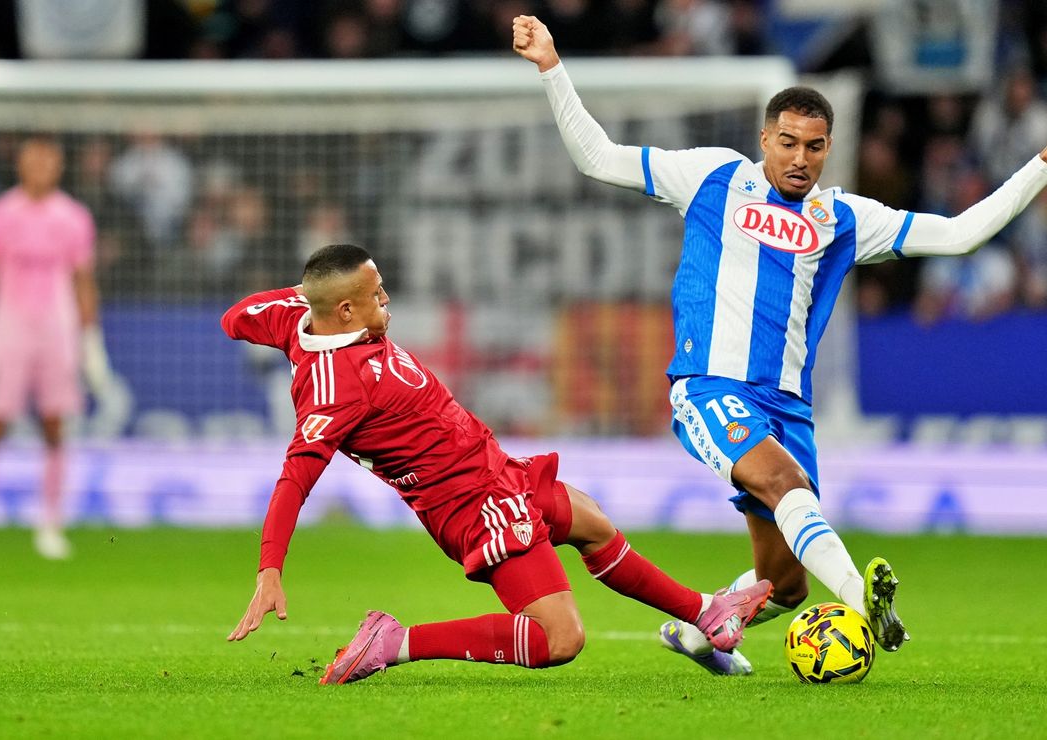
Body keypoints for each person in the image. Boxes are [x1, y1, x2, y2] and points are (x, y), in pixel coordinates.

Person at [512, 14, 1047, 674]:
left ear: (829, 148)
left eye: (815, 146)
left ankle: (696, 635)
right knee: (784, 482)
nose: (800, 157)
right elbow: (599, 157)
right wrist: (551, 66)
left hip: (787, 407)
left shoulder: (846, 219)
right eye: (789, 142)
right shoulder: (713, 177)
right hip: (709, 386)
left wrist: (1043, 166)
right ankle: (864, 603)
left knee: (785, 585)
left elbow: (959, 234)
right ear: (764, 139)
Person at [221, 243, 774, 683]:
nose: (387, 301)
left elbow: (235, 318)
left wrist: (311, 291)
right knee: (560, 640)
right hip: (470, 503)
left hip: (491, 468)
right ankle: (395, 642)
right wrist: (269, 569)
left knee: (590, 520)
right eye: (376, 294)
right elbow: (295, 479)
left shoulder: (297, 314)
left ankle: (704, 614)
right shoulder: (333, 388)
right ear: (345, 311)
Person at [0, 136, 113, 559]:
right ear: (21, 165)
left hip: (57, 329)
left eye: (48, 161)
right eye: (33, 160)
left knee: (55, 425)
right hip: (8, 328)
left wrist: (91, 339)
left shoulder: (73, 217)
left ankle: (50, 524)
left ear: (58, 167)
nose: (40, 168)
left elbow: (82, 280)